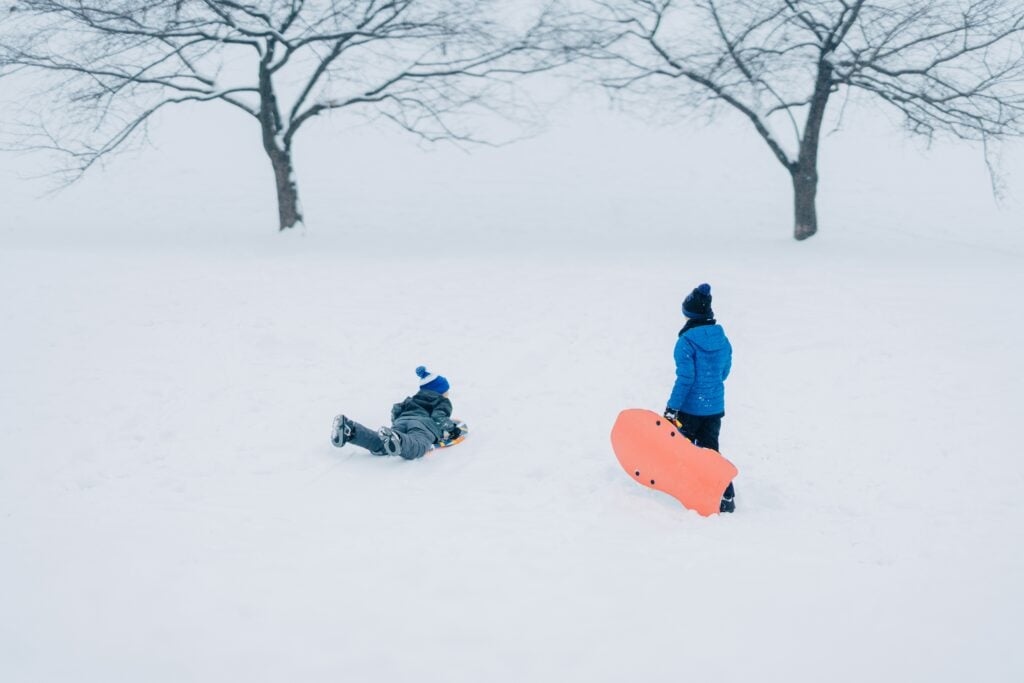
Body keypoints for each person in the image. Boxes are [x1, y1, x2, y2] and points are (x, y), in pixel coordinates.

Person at [664, 283, 736, 513]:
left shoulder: (685, 342)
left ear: (689, 314)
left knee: (682, 451)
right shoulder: (722, 340)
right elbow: (724, 372)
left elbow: (685, 378)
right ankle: (726, 496)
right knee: (710, 452)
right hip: (714, 408)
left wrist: (672, 408)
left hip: (689, 409)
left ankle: (688, 492)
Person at [331, 366, 462, 460]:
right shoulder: (442, 401)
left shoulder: (413, 399)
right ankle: (398, 440)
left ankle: (352, 431)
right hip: (423, 425)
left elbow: (396, 409)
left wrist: (396, 424)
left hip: (401, 421)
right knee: (418, 445)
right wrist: (452, 429)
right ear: (441, 391)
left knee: (381, 445)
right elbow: (439, 418)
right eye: (446, 391)